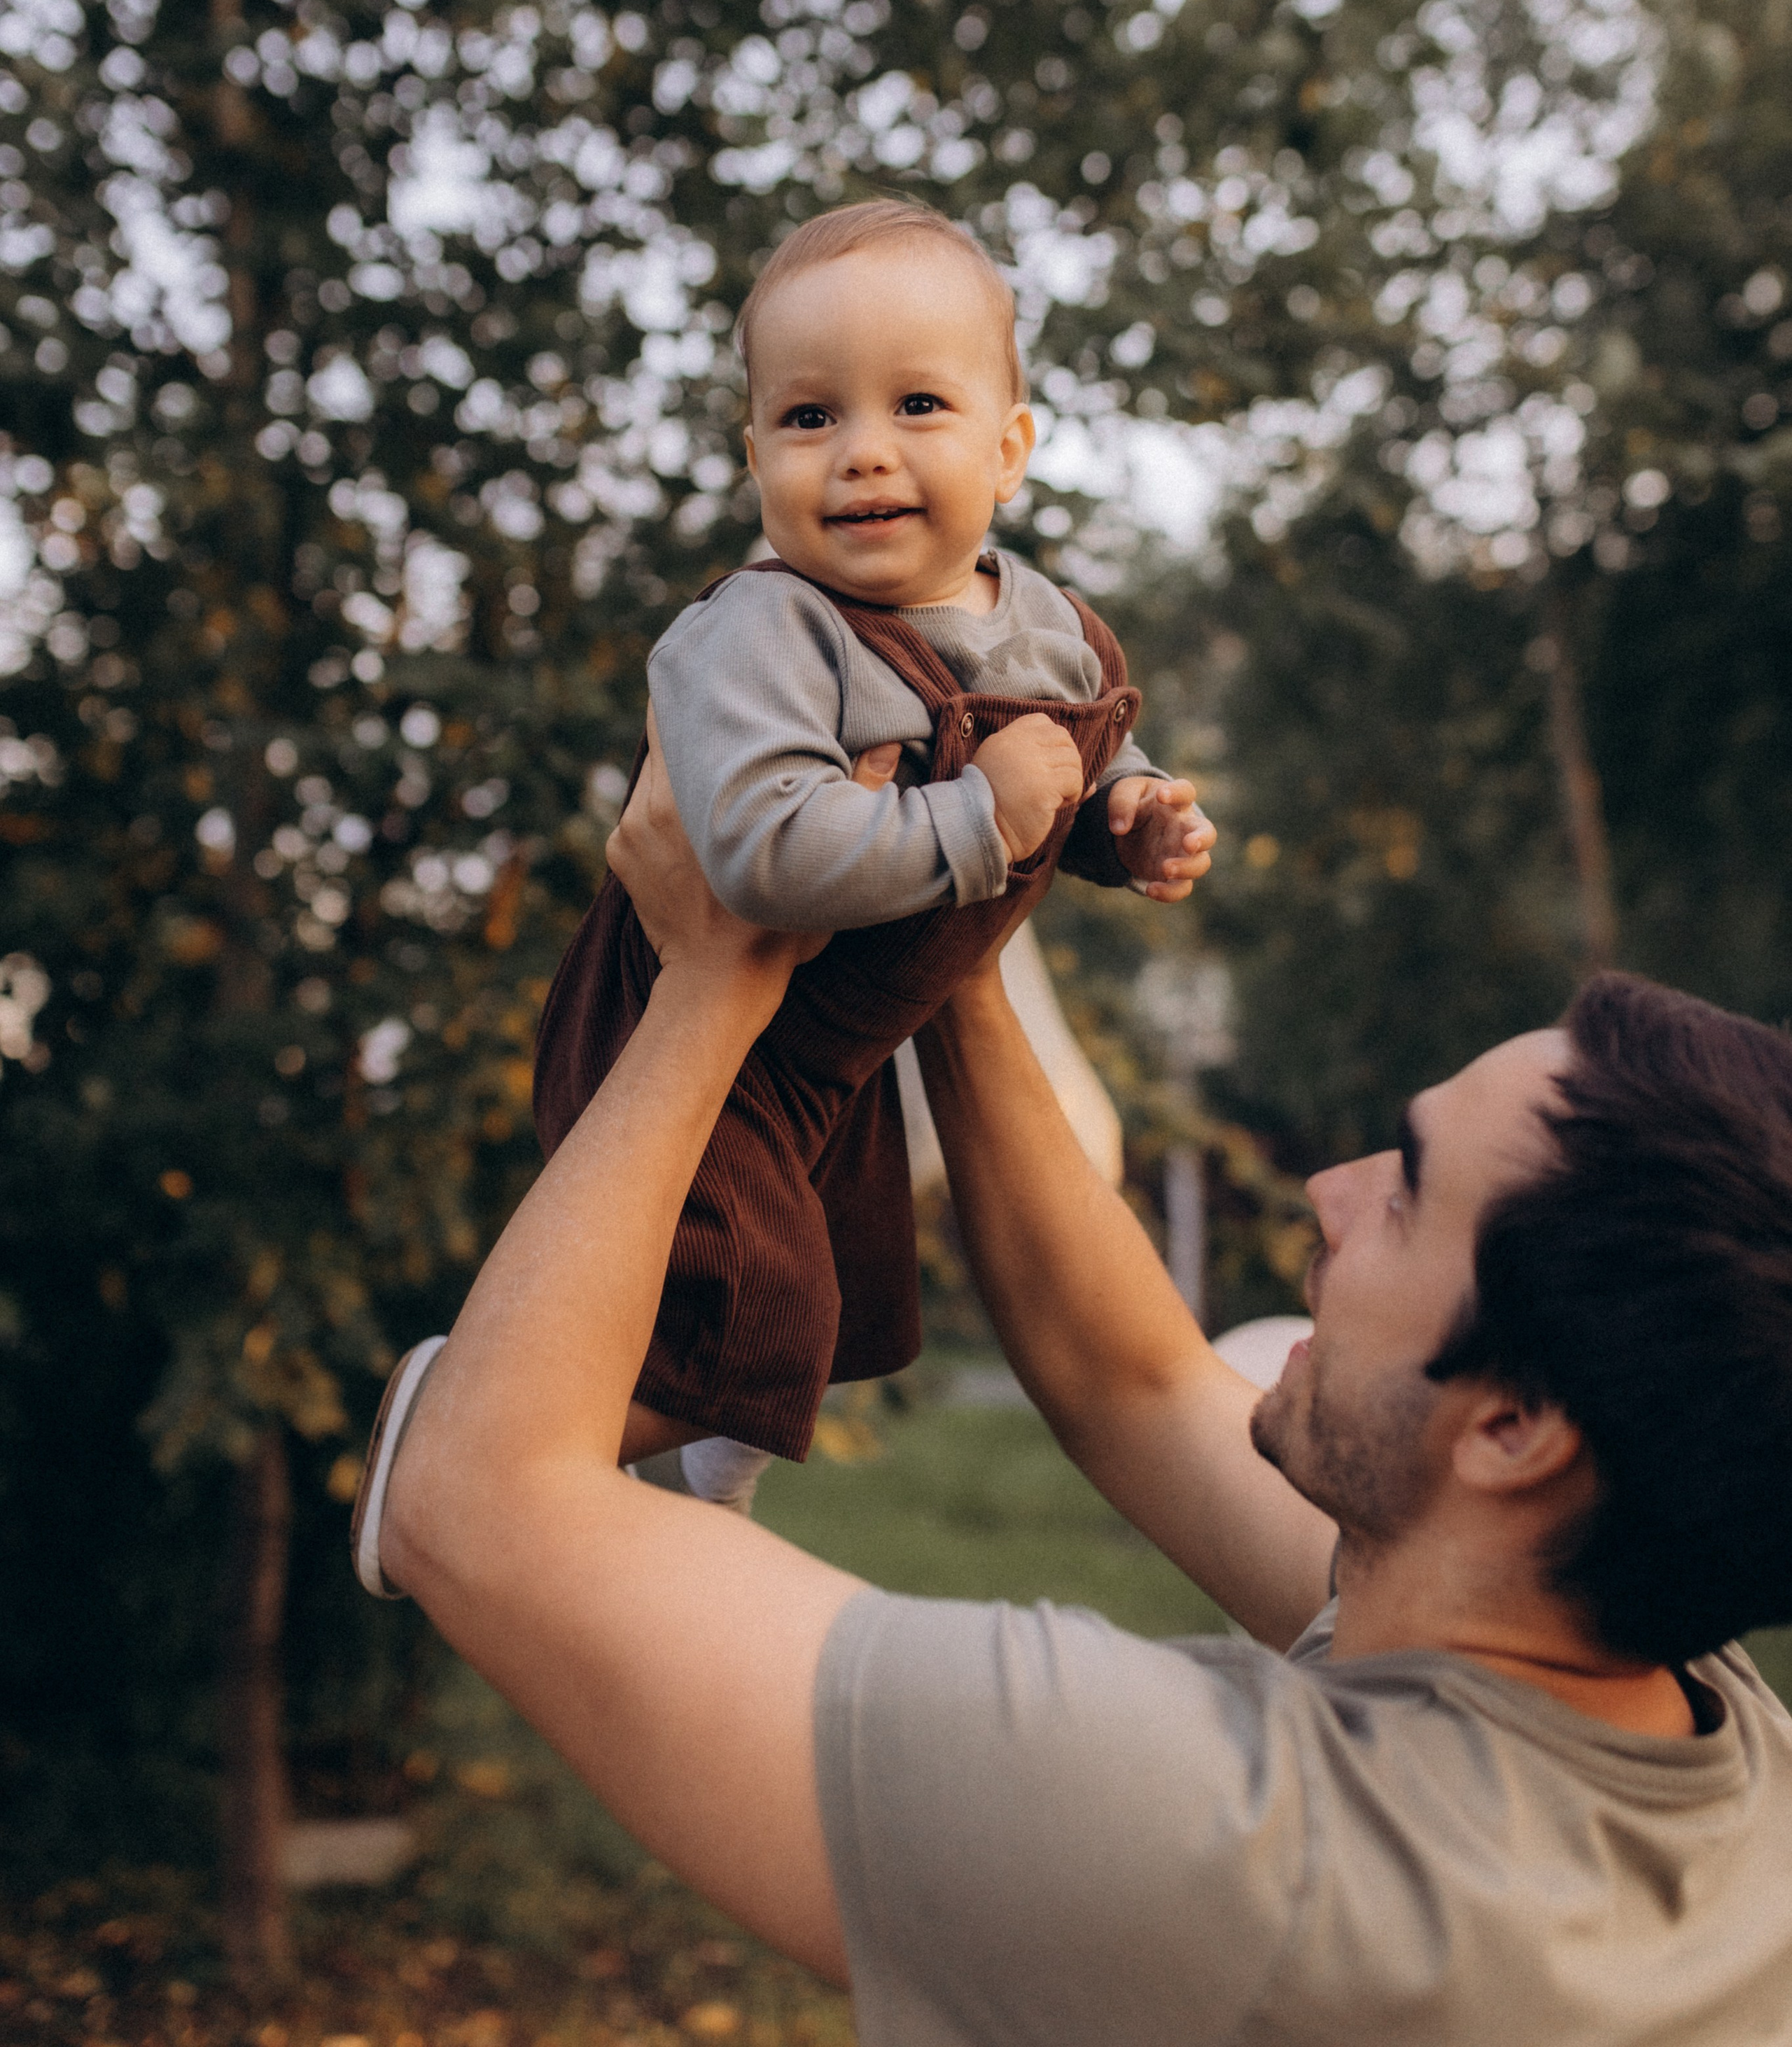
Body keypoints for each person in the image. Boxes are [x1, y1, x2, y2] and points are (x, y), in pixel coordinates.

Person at [363, 742, 1792, 2045]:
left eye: (1410, 1191)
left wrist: (711, 979)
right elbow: (1134, 1382)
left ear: (1514, 1429)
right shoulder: (1702, 1737)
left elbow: (471, 1503)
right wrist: (950, 935)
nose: (1328, 1190)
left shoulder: (1238, 1856)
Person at [524, 196, 1210, 1518]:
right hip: (695, 1045)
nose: (863, 453)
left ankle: (696, 1501)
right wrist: (979, 818)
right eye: (809, 416)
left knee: (836, 1317)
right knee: (757, 1321)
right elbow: (764, 850)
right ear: (756, 457)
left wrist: (1127, 815)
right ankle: (475, 1412)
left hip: (840, 1050)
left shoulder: (1048, 626)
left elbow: (1077, 756)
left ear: (1009, 450)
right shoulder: (767, 632)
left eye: (918, 405)